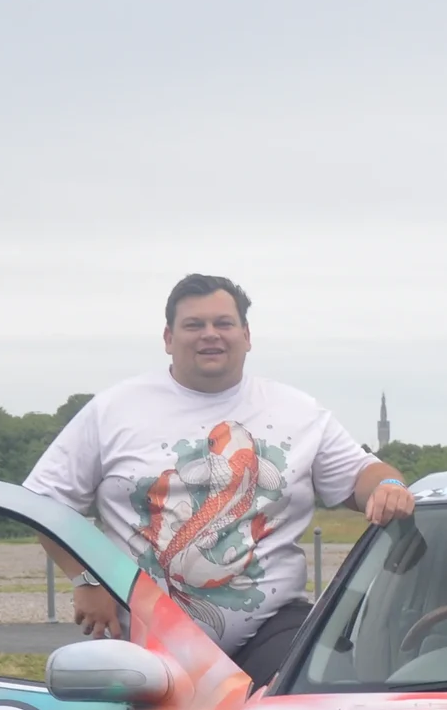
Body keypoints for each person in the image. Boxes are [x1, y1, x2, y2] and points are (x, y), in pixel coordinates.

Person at [24, 273, 414, 684]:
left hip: (271, 628)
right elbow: (44, 502)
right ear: (168, 338)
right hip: (144, 637)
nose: (210, 335)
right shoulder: (112, 410)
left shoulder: (299, 412)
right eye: (194, 325)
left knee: (322, 688)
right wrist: (86, 579)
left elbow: (364, 474)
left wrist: (389, 487)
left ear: (246, 335)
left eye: (224, 323)